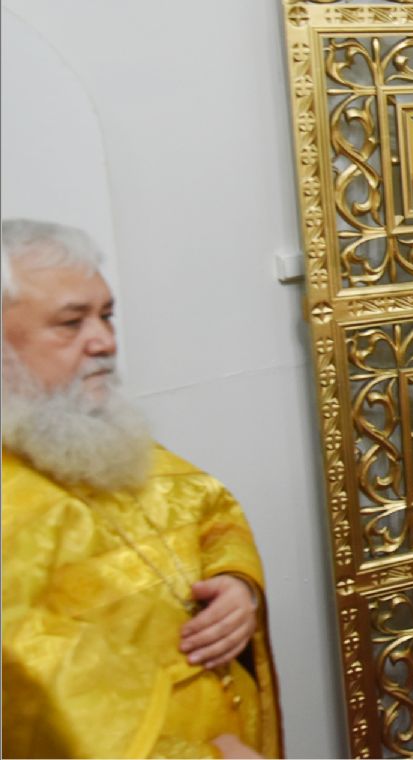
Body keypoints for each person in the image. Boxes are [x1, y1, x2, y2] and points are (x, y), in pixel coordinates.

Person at [1, 219, 281, 759]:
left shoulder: (82, 433)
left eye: (106, 315)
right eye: (71, 323)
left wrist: (236, 584)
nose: (105, 341)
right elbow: (40, 709)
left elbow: (204, 506)